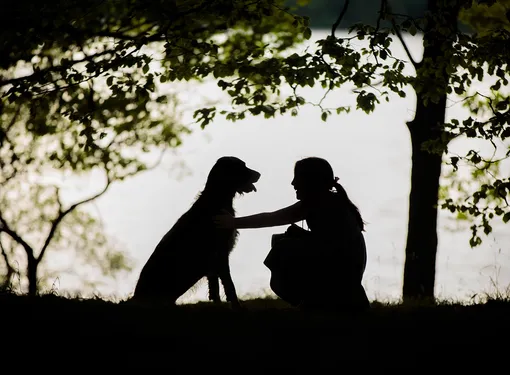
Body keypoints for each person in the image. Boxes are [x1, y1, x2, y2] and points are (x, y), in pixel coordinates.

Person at [213, 157, 370, 312]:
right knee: (284, 240)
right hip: (347, 267)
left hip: (343, 271)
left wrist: (233, 222)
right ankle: (317, 299)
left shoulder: (317, 202)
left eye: (298, 178)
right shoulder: (330, 200)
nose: (293, 183)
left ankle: (314, 300)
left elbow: (270, 218)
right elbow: (332, 240)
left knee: (283, 248)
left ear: (311, 181)